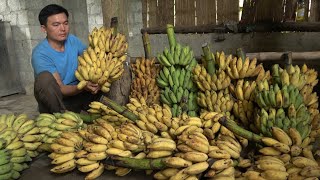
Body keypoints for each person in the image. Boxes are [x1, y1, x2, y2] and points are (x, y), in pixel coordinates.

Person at [31, 4, 101, 113]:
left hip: (81, 94)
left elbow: (92, 59)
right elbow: (61, 89)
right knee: (44, 79)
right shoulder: (40, 54)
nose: (63, 29)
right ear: (43, 28)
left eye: (65, 23)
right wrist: (82, 87)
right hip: (59, 100)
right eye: (56, 25)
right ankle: (59, 115)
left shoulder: (72, 40)